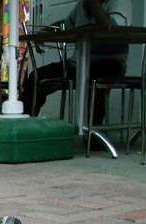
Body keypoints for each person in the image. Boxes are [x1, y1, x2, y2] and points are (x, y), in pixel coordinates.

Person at [20, 0, 131, 128]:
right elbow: (66, 25)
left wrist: (94, 4)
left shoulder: (120, 2)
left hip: (110, 63)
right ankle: (24, 127)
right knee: (36, 77)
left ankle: (92, 133)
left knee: (95, 80)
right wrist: (44, 33)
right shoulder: (82, 6)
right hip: (78, 64)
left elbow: (110, 28)